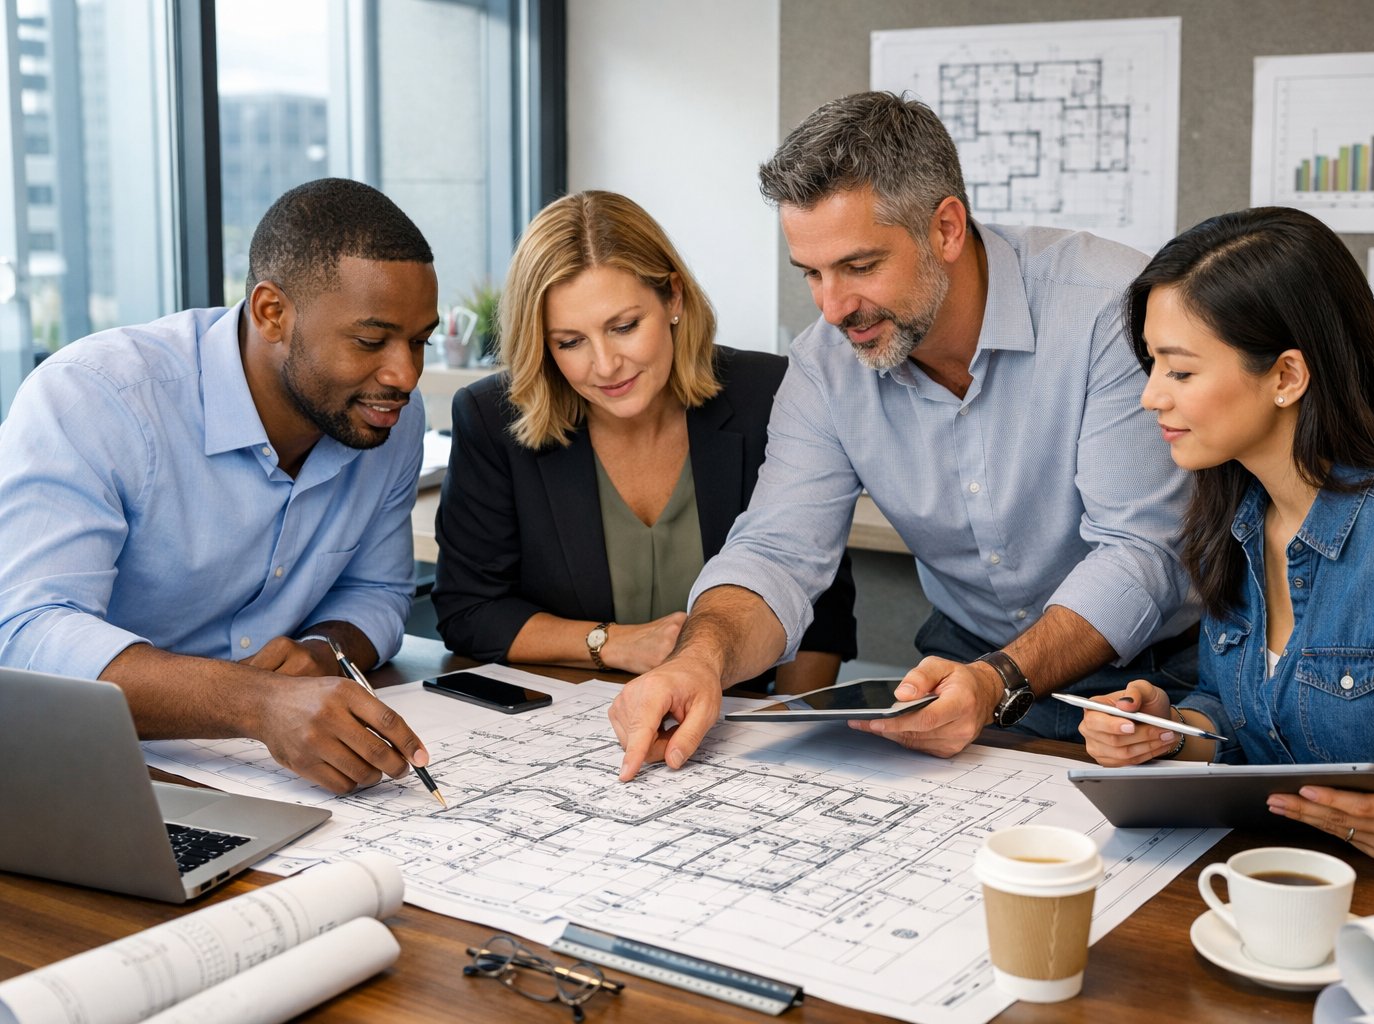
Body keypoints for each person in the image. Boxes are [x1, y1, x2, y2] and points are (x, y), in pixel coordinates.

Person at [607, 91, 1197, 780]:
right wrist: (698, 661)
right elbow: (776, 551)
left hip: (1163, 678)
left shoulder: (1109, 309)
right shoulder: (825, 364)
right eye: (812, 274)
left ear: (946, 228)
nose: (832, 309)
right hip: (965, 662)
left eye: (859, 267)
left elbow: (1140, 551)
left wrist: (1000, 679)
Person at [1079, 206, 1374, 857]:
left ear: (1287, 376)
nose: (1152, 396)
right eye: (1152, 365)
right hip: (1296, 879)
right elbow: (1257, 722)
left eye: (1179, 371)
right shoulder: (1236, 511)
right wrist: (1172, 729)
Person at [0, 177, 440, 795]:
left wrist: (322, 652)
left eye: (420, 341)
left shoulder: (387, 414)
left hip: (262, 777)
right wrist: (255, 703)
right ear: (272, 313)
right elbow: (26, 635)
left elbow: (378, 591)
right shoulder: (94, 397)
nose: (404, 374)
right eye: (371, 341)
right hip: (85, 771)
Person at [431, 190, 856, 689]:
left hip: (742, 729)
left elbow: (819, 604)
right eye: (570, 342)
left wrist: (788, 723)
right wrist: (611, 642)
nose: (607, 365)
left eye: (625, 327)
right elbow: (469, 610)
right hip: (570, 728)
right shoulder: (491, 418)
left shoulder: (772, 393)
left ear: (673, 297)